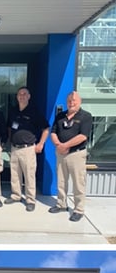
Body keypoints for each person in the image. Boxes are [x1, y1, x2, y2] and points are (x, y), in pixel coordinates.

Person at [50, 91, 92, 222]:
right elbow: (53, 132)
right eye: (69, 100)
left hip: (76, 154)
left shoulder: (86, 116)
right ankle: (61, 204)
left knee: (78, 183)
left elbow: (83, 136)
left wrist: (65, 145)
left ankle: (78, 209)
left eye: (74, 100)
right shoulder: (60, 116)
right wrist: (58, 144)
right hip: (61, 154)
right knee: (61, 181)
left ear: (80, 102)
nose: (71, 103)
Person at [6, 86, 50, 212]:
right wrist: (10, 140)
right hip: (15, 148)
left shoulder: (34, 112)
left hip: (28, 149)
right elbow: (9, 127)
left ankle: (30, 200)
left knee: (29, 175)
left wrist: (41, 144)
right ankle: (16, 196)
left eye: (25, 94)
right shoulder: (13, 111)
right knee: (15, 174)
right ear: (17, 97)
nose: (22, 96)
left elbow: (46, 128)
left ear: (29, 96)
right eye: (20, 94)